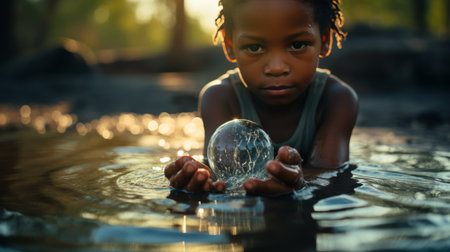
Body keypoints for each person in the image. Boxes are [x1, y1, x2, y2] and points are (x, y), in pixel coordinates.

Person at [164, 0, 358, 195]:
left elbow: (330, 175)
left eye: (297, 45)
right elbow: (226, 176)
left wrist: (299, 183)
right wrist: (200, 180)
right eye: (255, 48)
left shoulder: (337, 100)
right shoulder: (219, 98)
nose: (276, 67)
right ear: (229, 44)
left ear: (325, 39)